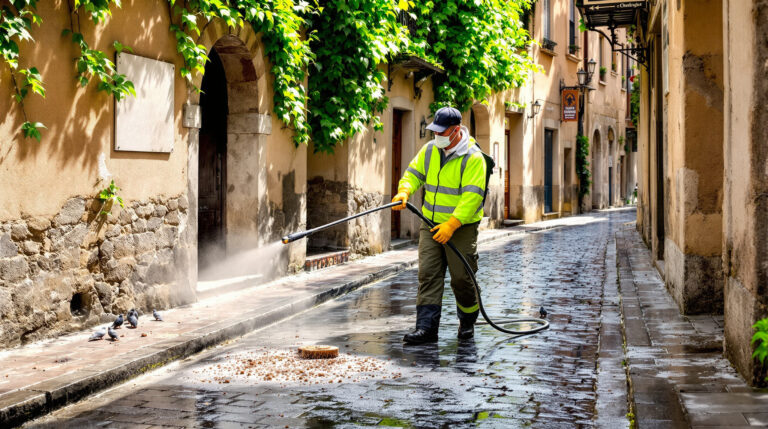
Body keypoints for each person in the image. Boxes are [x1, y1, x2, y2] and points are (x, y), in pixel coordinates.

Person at [392, 106, 489, 344]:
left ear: (456, 131)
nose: (437, 136)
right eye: (434, 131)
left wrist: (452, 225)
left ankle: (467, 321)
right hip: (430, 223)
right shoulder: (430, 150)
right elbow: (413, 174)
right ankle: (426, 329)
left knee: (461, 277)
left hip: (461, 227)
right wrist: (403, 191)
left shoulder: (473, 158)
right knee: (428, 274)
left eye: (441, 132)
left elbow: (472, 197)